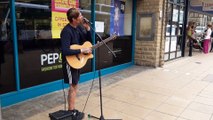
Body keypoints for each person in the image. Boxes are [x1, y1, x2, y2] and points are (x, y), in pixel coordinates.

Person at [60, 8, 92, 119]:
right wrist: (81, 51)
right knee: (73, 87)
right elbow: (65, 50)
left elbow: (87, 42)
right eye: (80, 15)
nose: (82, 17)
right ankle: (71, 110)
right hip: (69, 63)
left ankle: (72, 109)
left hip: (77, 62)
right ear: (74, 19)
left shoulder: (78, 28)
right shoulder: (66, 31)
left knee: (75, 85)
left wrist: (88, 29)